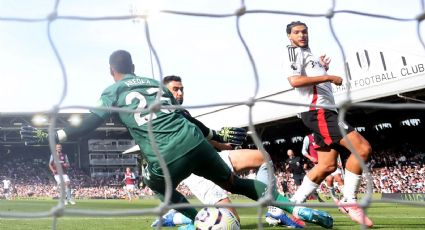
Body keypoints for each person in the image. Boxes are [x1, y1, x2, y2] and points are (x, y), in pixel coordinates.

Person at [20, 50, 333, 229]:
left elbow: (89, 122)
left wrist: (51, 134)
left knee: (158, 187)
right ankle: (288, 207)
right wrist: (216, 137)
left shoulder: (113, 91)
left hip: (164, 156)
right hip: (195, 142)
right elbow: (187, 119)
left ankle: (198, 220)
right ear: (133, 68)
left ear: (112, 71)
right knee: (235, 184)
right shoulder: (157, 85)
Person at [152, 75, 303, 228]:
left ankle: (273, 209)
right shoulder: (160, 116)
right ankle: (178, 218)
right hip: (194, 171)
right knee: (230, 222)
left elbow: (199, 135)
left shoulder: (183, 112)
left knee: (262, 157)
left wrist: (223, 145)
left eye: (182, 89)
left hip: (211, 158)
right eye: (175, 90)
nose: (180, 93)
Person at [285, 21, 373, 227]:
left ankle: (291, 205)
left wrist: (321, 68)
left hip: (324, 111)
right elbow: (295, 81)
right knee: (362, 148)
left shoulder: (309, 54)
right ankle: (349, 200)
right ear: (289, 36)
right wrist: (328, 76)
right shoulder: (292, 53)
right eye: (296, 32)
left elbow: (310, 79)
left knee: (327, 165)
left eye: (304, 32)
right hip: (318, 112)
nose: (302, 35)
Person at [302, 134, 341, 202]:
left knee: (339, 178)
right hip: (320, 164)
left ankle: (348, 198)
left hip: (330, 161)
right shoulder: (308, 138)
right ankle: (335, 198)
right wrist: (311, 158)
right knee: (330, 179)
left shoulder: (325, 134)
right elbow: (303, 151)